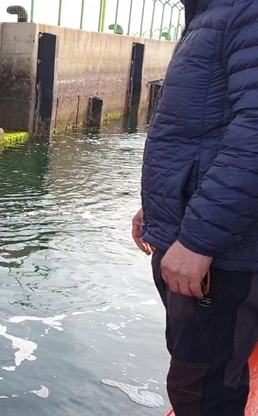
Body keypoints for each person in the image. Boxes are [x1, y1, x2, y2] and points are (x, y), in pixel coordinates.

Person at [132, 1, 258, 414]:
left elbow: (253, 132)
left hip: (222, 254)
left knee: (204, 388)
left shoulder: (243, 10)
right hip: (200, 234)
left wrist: (199, 238)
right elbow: (200, 131)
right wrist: (156, 205)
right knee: (196, 374)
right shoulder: (212, 13)